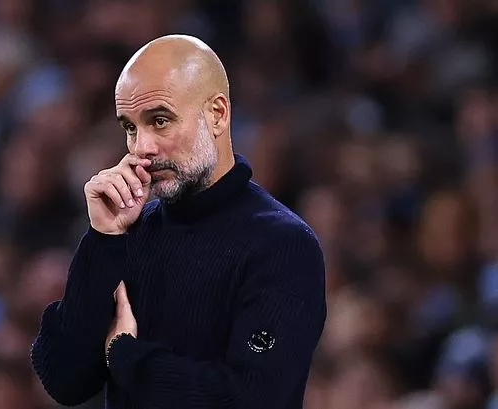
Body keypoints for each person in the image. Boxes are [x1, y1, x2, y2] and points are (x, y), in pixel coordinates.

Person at [30, 34, 327, 409]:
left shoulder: (282, 245)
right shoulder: (127, 232)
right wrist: (102, 239)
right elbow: (64, 380)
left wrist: (127, 356)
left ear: (217, 114)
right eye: (131, 127)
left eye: (159, 120)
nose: (142, 148)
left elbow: (248, 400)